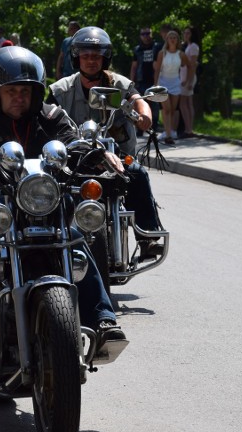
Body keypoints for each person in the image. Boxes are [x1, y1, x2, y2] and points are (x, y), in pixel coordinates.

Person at [0, 46, 125, 368]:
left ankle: (103, 320)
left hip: (46, 207)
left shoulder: (51, 116)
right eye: (11, 91)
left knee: (80, 235)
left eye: (25, 91)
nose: (19, 97)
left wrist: (99, 154)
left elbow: (75, 142)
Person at [47, 26, 167, 260]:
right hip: (75, 160)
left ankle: (148, 238)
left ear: (105, 58)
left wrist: (145, 116)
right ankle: (51, 239)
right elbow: (45, 115)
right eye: (85, 56)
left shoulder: (119, 84)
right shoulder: (61, 90)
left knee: (137, 173)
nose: (91, 61)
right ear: (76, 58)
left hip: (116, 158)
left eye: (96, 56)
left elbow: (137, 99)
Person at [153, 29, 190, 144]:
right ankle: (168, 135)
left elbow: (190, 66)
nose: (172, 39)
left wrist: (187, 80)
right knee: (166, 109)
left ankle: (168, 130)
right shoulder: (162, 53)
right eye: (170, 37)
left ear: (177, 40)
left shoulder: (181, 54)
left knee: (173, 110)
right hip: (163, 82)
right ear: (167, 40)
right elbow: (158, 69)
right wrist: (156, 84)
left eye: (175, 37)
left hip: (175, 83)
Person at [130, 26, 161, 131]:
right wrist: (131, 81)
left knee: (155, 106)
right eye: (143, 34)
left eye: (148, 33)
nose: (146, 36)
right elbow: (134, 66)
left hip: (154, 80)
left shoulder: (157, 47)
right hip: (140, 81)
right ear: (140, 36)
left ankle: (154, 128)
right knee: (139, 105)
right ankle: (140, 128)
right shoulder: (137, 49)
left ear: (151, 34)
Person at [178, 26, 200, 138]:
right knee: (187, 103)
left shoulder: (194, 47)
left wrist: (188, 80)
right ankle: (189, 128)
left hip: (187, 78)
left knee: (184, 103)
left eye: (188, 33)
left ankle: (188, 129)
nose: (186, 35)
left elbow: (192, 66)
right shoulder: (188, 46)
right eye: (185, 33)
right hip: (184, 76)